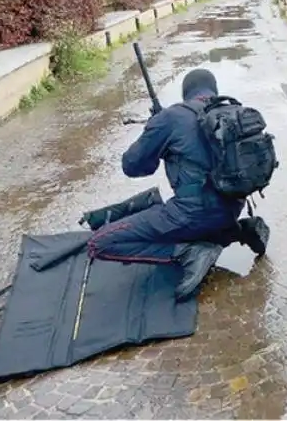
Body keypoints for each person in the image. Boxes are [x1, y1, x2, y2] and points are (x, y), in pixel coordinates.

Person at [87, 68, 269, 300]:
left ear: (186, 93)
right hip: (232, 208)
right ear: (213, 91)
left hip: (191, 215)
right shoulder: (231, 113)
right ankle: (243, 230)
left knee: (99, 244)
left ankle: (189, 254)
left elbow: (133, 166)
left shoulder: (170, 118)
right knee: (202, 217)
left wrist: (154, 130)